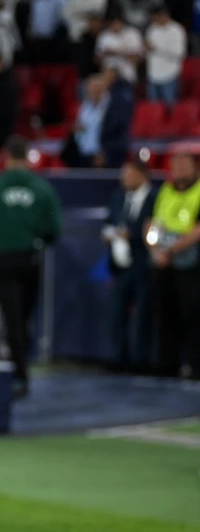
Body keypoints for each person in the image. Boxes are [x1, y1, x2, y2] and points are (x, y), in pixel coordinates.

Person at [0, 136, 63, 397]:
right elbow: (54, 229)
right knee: (23, 317)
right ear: (27, 157)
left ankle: (19, 374)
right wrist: (36, 238)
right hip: (30, 259)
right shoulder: (41, 188)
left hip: (4, 258)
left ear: (7, 158)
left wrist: (0, 235)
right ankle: (21, 369)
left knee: (12, 319)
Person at [144, 147, 200, 378]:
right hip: (163, 261)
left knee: (193, 315)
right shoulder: (165, 190)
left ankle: (195, 366)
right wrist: (155, 249)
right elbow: (151, 222)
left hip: (190, 262)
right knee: (165, 313)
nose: (178, 168)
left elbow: (198, 229)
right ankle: (167, 365)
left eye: (184, 164)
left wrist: (171, 250)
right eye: (175, 163)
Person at [102, 156, 157, 372]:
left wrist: (131, 234)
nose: (123, 179)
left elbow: (155, 226)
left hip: (145, 264)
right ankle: (120, 357)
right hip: (120, 265)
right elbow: (109, 222)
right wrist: (109, 234)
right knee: (118, 313)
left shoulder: (156, 198)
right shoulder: (117, 197)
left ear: (142, 175)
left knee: (144, 314)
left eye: (128, 174)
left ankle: (142, 360)